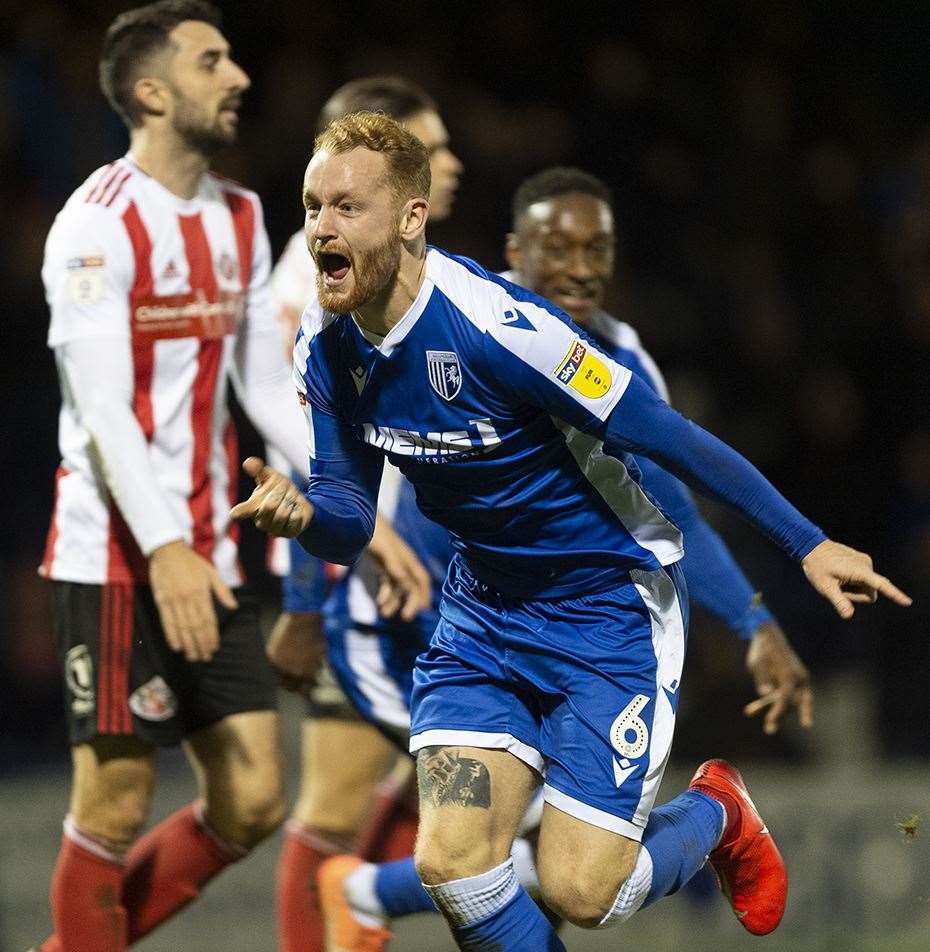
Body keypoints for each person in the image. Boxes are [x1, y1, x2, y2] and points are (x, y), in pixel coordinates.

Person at [232, 112, 911, 952]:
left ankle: (719, 810)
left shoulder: (505, 331)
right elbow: (348, 517)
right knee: (453, 865)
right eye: (311, 207)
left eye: (346, 208)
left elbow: (672, 440)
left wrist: (807, 544)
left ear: (412, 217)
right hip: (482, 612)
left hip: (608, 610)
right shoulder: (327, 344)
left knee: (585, 891)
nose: (321, 230)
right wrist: (303, 519)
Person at [35, 3, 311, 949]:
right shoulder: (93, 227)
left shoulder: (240, 215)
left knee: (255, 795)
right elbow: (103, 408)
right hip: (116, 553)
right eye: (212, 61)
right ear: (152, 93)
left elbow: (266, 385)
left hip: (210, 549)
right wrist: (162, 550)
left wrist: (350, 489)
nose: (238, 76)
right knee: (114, 801)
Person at [502, 166, 812, 733]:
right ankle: (715, 813)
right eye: (558, 249)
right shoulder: (458, 324)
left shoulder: (626, 361)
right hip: (428, 608)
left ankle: (712, 812)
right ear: (515, 250)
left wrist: (757, 623)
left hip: (558, 635)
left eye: (597, 250)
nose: (580, 270)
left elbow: (674, 516)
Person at [265, 75, 463, 952]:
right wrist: (314, 599)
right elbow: (296, 448)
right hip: (361, 573)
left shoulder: (421, 276)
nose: (449, 162)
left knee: (437, 794)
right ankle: (355, 911)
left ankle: (365, 909)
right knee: (349, 800)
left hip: (416, 570)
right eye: (428, 146)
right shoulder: (314, 288)